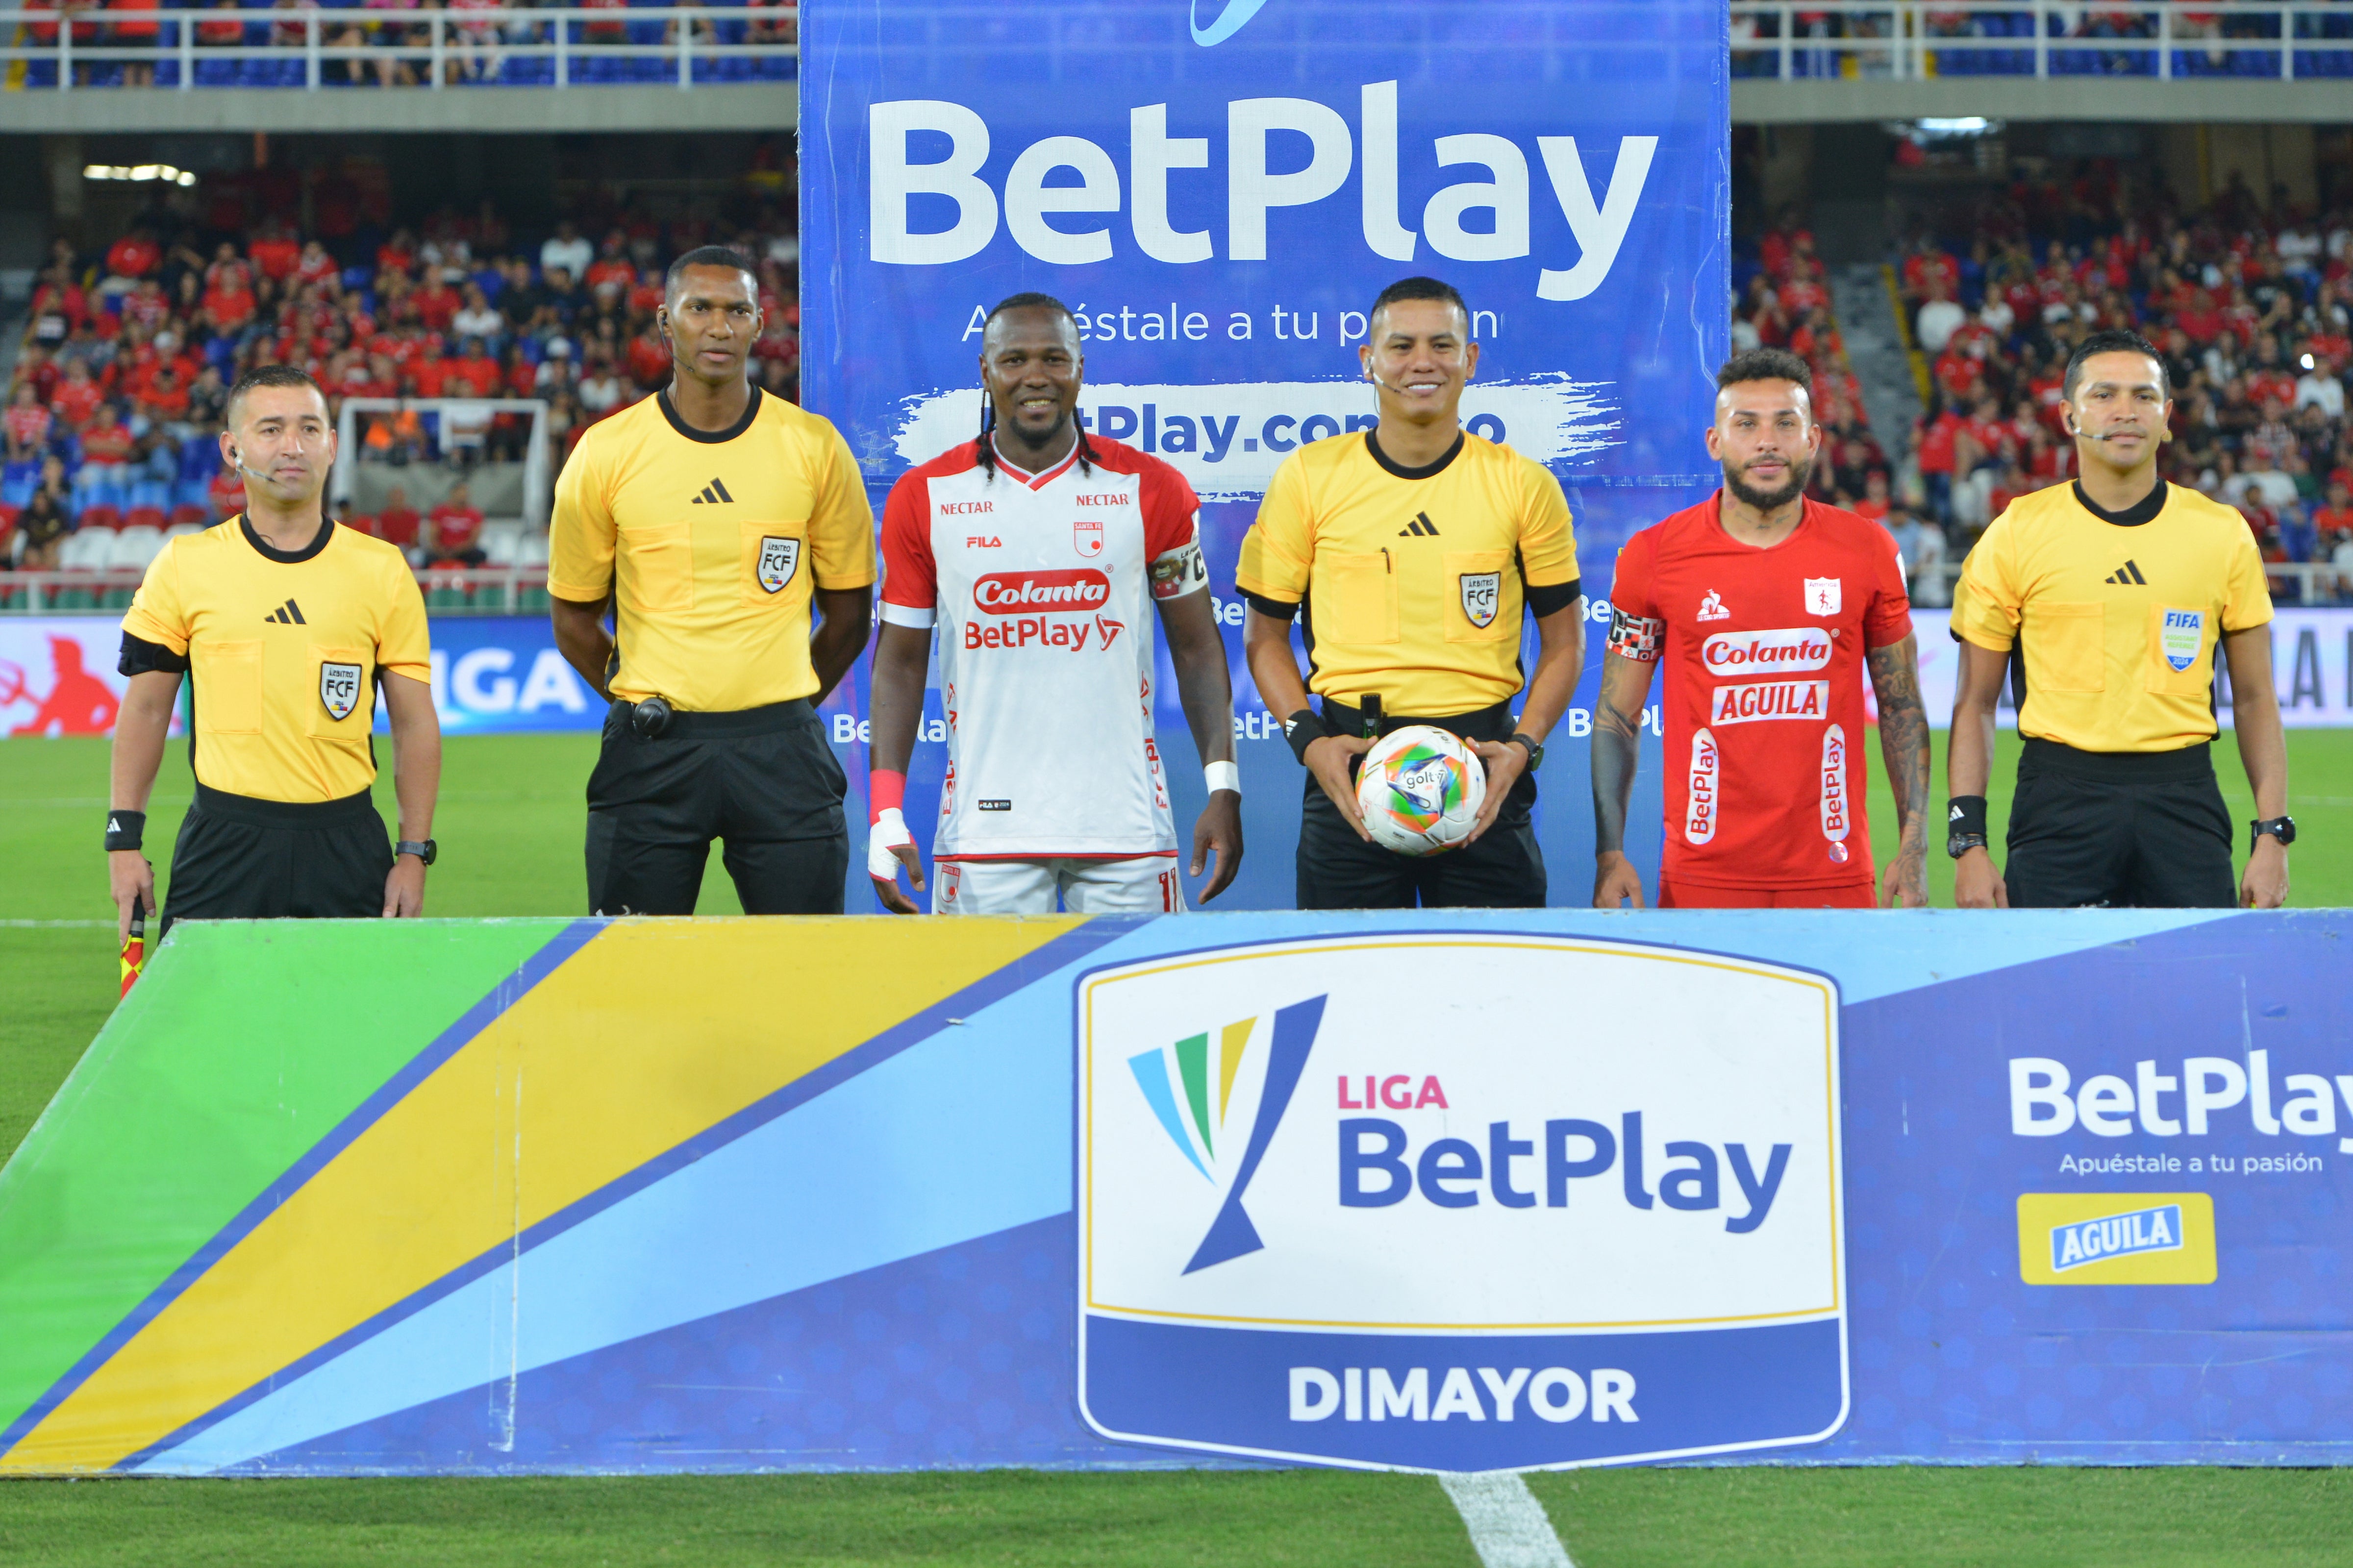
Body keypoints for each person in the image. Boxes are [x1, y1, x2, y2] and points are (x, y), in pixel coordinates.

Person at [866, 293, 1241, 916]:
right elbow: (900, 664)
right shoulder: (924, 496)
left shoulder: (1152, 489)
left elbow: (1199, 648)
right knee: (982, 1017)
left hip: (1127, 830)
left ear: (1080, 369)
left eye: (1054, 359)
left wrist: (1224, 787)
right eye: (1013, 359)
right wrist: (885, 814)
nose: (1035, 376)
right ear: (985, 373)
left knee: (1138, 1013)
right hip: (986, 836)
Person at [1237, 276, 1582, 909]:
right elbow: (1263, 637)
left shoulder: (1524, 485)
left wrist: (1522, 751)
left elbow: (1564, 643)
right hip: (1351, 772)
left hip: (1483, 772)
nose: (1422, 362)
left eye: (1442, 345)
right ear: (1367, 360)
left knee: (1495, 992)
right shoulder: (1309, 479)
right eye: (1401, 346)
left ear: (1471, 359)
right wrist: (1309, 743)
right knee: (1346, 995)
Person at [548, 246, 874, 916]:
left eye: (737, 311)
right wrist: (637, 698)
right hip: (653, 753)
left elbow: (848, 615)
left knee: (804, 973)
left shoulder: (814, 446)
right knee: (635, 978)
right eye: (700, 308)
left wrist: (779, 704)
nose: (719, 327)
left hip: (784, 750)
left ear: (760, 324)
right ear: (667, 322)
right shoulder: (607, 451)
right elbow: (573, 619)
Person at [1949, 328, 2290, 910]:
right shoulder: (2017, 531)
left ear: (2167, 417)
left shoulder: (2222, 533)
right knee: (2053, 994)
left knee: (2192, 991)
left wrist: (2273, 833)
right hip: (2058, 799)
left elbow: (2256, 698)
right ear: (2068, 415)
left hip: (2184, 797)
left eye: (2144, 397)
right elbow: (1976, 702)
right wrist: (1968, 842)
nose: (2125, 412)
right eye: (2104, 395)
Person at [106, 365, 442, 941]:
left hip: (348, 843)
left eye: (310, 429)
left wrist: (413, 853)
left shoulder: (382, 569)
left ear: (333, 446)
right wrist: (124, 841)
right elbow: (145, 710)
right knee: (206, 1031)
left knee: (350, 1030)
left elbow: (414, 723)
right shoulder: (185, 565)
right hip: (224, 840)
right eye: (271, 429)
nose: (293, 446)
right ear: (232, 449)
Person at [1592, 349, 1928, 910]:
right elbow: (1615, 716)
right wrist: (1610, 854)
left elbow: (1902, 706)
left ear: (1814, 440)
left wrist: (1913, 848)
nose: (1767, 441)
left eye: (1785, 423)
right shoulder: (1653, 556)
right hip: (1702, 876)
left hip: (1834, 873)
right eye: (1746, 424)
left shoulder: (1867, 549)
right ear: (1715, 442)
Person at [425, 480, 486, 568]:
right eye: (460, 495)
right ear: (453, 494)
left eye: (465, 495)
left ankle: (473, 581)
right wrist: (441, 550)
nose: (463, 498)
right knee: (427, 558)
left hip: (464, 551)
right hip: (443, 550)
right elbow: (433, 536)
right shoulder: (440, 512)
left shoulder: (475, 514)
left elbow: (473, 540)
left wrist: (458, 550)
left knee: (479, 556)